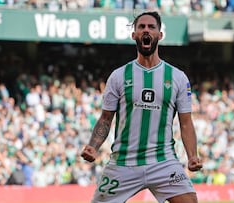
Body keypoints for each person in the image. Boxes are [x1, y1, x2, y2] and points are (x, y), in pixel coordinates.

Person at [81, 11, 203, 203]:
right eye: (141, 27)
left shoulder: (178, 78)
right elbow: (106, 119)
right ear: (134, 35)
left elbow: (186, 123)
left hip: (163, 161)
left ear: (160, 35)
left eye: (151, 27)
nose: (146, 30)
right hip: (123, 162)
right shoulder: (119, 76)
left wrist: (192, 156)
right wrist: (93, 146)